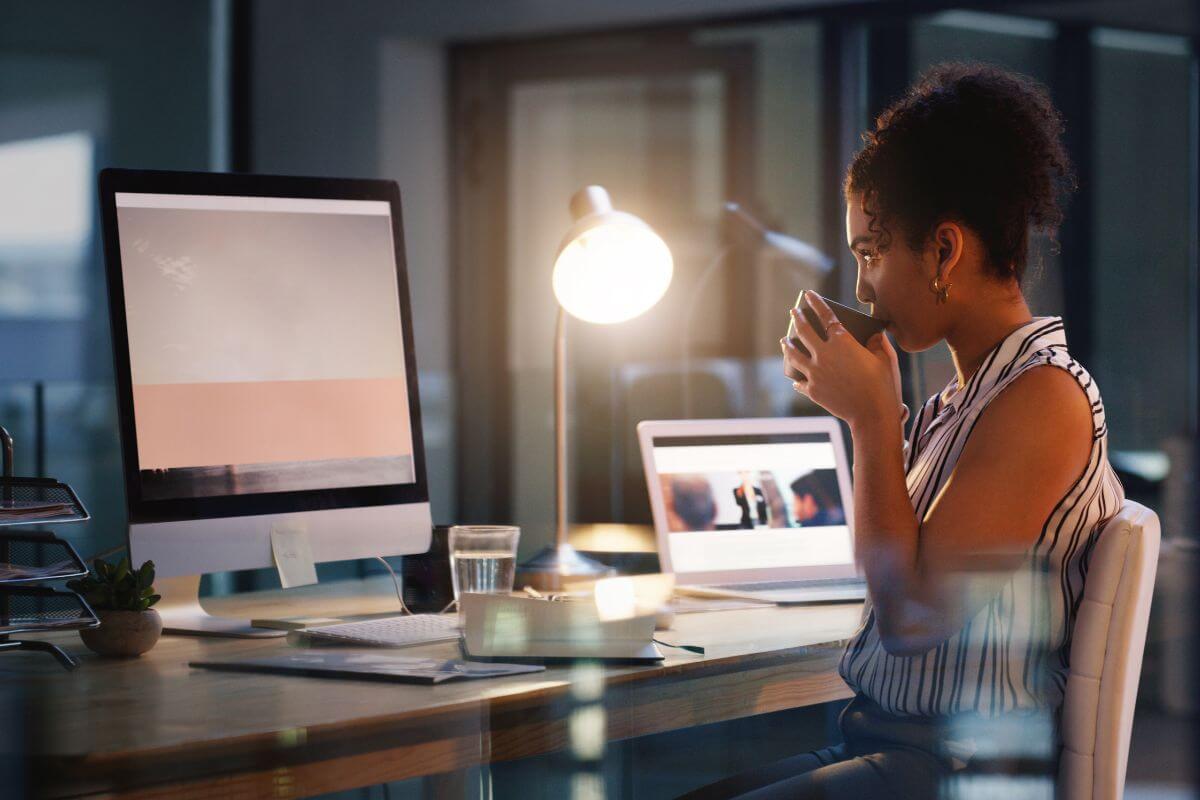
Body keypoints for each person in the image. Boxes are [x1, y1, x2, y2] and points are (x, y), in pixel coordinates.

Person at [682, 62, 1124, 799]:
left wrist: (871, 419)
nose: (860, 288)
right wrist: (879, 418)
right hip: (885, 744)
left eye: (868, 253)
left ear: (943, 251)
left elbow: (912, 619)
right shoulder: (964, 401)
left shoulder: (1043, 396)